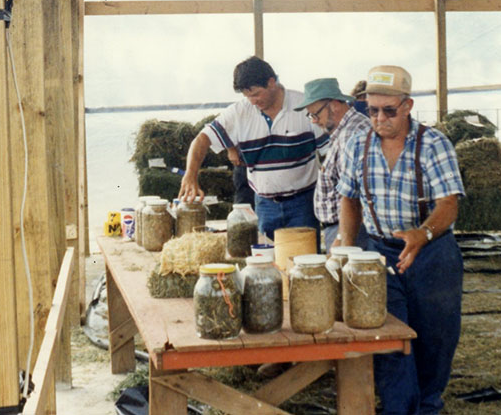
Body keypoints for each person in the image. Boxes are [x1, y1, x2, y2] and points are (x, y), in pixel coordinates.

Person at [337, 65, 465, 415]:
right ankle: (399, 410)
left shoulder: (434, 145)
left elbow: (448, 204)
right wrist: (346, 239)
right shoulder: (355, 146)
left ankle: (427, 405)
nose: (379, 118)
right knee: (388, 338)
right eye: (371, 110)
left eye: (388, 111)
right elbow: (347, 196)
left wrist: (422, 234)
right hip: (378, 254)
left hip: (432, 253)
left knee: (434, 338)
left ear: (407, 106)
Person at [179, 56, 328, 244]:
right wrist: (190, 174)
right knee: (267, 263)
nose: (252, 101)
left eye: (256, 94)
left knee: (302, 261)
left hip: (303, 204)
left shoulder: (304, 106)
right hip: (265, 205)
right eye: (247, 96)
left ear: (272, 82)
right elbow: (202, 139)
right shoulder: (240, 112)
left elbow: (330, 152)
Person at [293, 78, 371, 252]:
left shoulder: (351, 135)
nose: (314, 121)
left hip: (348, 230)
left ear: (334, 104)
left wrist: (341, 239)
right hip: (343, 228)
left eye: (316, 114)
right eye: (310, 115)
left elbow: (354, 197)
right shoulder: (345, 130)